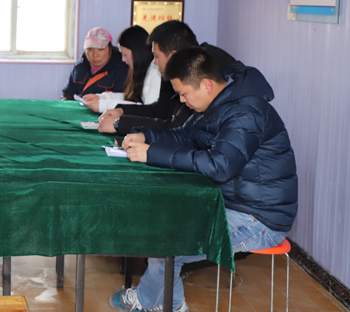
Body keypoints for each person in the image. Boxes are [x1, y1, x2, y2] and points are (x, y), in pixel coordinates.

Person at [109, 48, 298, 312]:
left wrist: (151, 153)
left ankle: (150, 301)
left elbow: (220, 166)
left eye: (184, 93)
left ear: (206, 85)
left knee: (168, 240)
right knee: (162, 228)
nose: (182, 100)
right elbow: (186, 137)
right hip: (231, 204)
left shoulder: (246, 112)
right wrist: (145, 135)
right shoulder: (219, 103)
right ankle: (169, 305)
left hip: (259, 219)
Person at [98, 20, 235, 135]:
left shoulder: (202, 68)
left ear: (172, 56)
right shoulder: (176, 68)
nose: (154, 62)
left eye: (156, 56)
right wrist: (122, 111)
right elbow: (161, 110)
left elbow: (178, 128)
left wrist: (120, 124)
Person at [82, 25, 159, 113]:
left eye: (125, 55)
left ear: (137, 53)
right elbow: (129, 98)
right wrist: (101, 97)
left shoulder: (155, 72)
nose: (123, 59)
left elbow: (147, 109)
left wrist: (104, 105)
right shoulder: (141, 70)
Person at [62, 26, 129, 99]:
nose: (95, 55)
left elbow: (123, 99)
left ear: (110, 49)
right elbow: (67, 94)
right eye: (90, 49)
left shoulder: (122, 69)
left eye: (100, 49)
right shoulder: (79, 67)